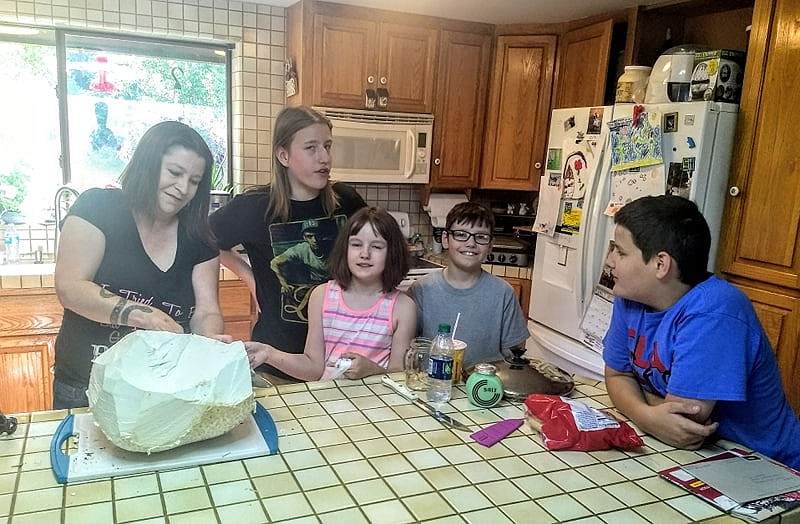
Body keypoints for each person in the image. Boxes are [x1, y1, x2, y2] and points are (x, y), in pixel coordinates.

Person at [603, 195, 800, 469]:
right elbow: (616, 374)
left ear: (661, 264)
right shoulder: (631, 298)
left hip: (768, 466)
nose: (609, 261)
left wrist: (641, 405)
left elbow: (683, 425)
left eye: (620, 252)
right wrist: (648, 415)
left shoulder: (715, 310)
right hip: (706, 457)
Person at [53, 121, 226, 409]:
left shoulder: (199, 237)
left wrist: (208, 340)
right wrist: (144, 316)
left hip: (164, 388)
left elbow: (207, 310)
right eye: (174, 172)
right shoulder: (98, 208)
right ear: (148, 163)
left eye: (194, 181)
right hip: (85, 386)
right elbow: (70, 288)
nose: (183, 188)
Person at [210, 106, 366, 381]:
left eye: (327, 146)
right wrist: (251, 279)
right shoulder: (253, 207)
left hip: (341, 362)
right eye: (311, 148)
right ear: (284, 155)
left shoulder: (347, 201)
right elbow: (206, 241)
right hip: (276, 360)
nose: (324, 158)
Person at [246, 207, 415, 380]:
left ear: (392, 253)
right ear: (344, 249)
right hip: (327, 402)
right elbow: (313, 368)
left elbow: (400, 375)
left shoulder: (403, 308)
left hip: (377, 404)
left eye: (377, 246)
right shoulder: (321, 296)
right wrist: (268, 353)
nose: (365, 254)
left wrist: (373, 370)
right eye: (356, 245)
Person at [408, 202, 530, 369]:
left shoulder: (503, 293)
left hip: (484, 388)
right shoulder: (421, 290)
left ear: (490, 246)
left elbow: (514, 353)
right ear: (445, 239)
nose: (471, 243)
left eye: (481, 237)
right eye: (461, 234)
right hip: (433, 387)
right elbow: (408, 348)